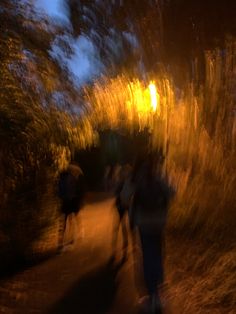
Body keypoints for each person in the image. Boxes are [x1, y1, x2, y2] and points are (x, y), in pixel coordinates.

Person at [130, 152, 174, 314]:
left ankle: (152, 296)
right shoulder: (159, 178)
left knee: (147, 257)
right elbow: (172, 192)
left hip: (144, 224)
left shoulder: (138, 179)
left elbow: (125, 196)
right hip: (159, 223)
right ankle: (158, 295)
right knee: (157, 256)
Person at [58, 162, 86, 250]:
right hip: (71, 202)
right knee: (72, 219)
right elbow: (76, 191)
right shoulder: (73, 179)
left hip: (65, 202)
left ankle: (60, 242)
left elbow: (59, 191)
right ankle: (73, 237)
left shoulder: (61, 178)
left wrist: (63, 197)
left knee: (64, 222)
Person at [113, 164, 134, 261]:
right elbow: (116, 194)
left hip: (126, 206)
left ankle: (126, 247)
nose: (126, 173)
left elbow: (117, 193)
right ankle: (122, 248)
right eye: (125, 171)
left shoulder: (126, 182)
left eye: (127, 172)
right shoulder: (124, 182)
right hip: (123, 206)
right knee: (122, 227)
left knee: (125, 227)